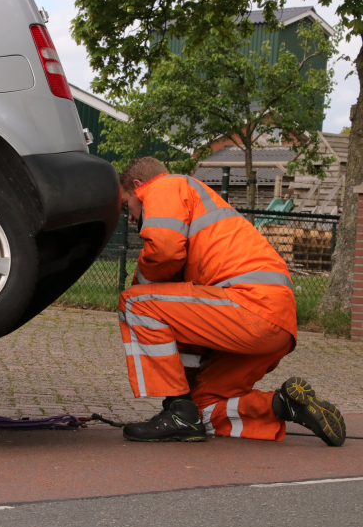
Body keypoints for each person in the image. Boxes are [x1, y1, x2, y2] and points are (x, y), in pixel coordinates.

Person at [116, 157, 345, 446]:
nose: (132, 218)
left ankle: (180, 416)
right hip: (277, 324)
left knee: (135, 304)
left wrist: (139, 286)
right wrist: (181, 398)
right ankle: (283, 405)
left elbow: (163, 250)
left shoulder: (165, 185)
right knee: (202, 408)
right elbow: (180, 334)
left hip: (248, 305)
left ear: (138, 186)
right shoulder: (202, 207)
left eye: (127, 206)